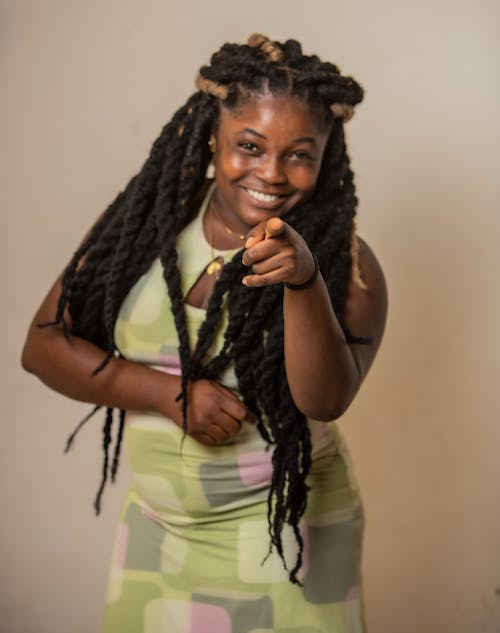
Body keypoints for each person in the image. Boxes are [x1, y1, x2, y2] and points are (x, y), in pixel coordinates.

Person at [22, 34, 387, 633]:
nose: (271, 172)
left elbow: (325, 400)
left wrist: (303, 282)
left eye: (300, 154)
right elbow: (42, 347)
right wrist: (166, 394)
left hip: (288, 530)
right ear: (212, 137)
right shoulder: (146, 227)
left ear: (327, 158)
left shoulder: (348, 266)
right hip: (159, 529)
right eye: (249, 145)